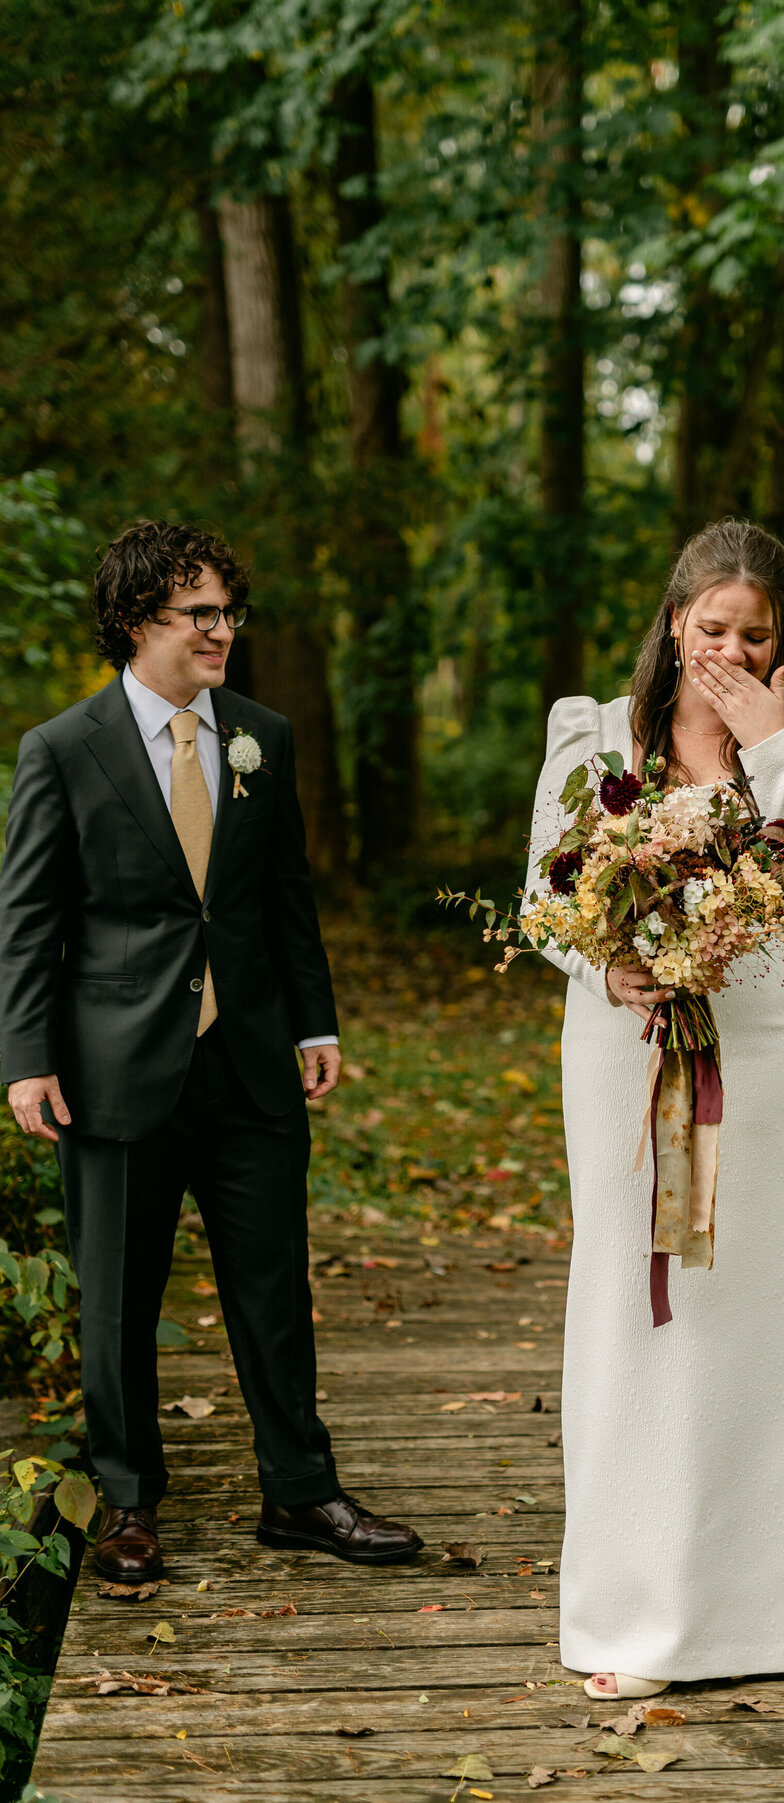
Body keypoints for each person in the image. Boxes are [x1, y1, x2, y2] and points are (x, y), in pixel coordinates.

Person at [0, 519, 422, 1583]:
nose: (222, 630)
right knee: (118, 1297)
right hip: (111, 1069)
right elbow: (27, 920)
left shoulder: (261, 738)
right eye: (201, 612)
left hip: (248, 1062)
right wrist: (25, 1057)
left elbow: (286, 895)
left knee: (273, 1284)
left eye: (228, 611)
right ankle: (129, 1505)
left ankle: (301, 1490)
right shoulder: (62, 750)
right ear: (139, 621)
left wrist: (315, 1023)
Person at [524, 518, 784, 1700]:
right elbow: (540, 891)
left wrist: (773, 749)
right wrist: (600, 962)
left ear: (781, 642)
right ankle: (623, 1611)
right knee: (632, 1300)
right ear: (676, 623)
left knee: (743, 1310)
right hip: (622, 1045)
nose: (729, 646)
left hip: (763, 1045)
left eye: (754, 632)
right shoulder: (592, 733)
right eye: (711, 625)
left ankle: (747, 1623)